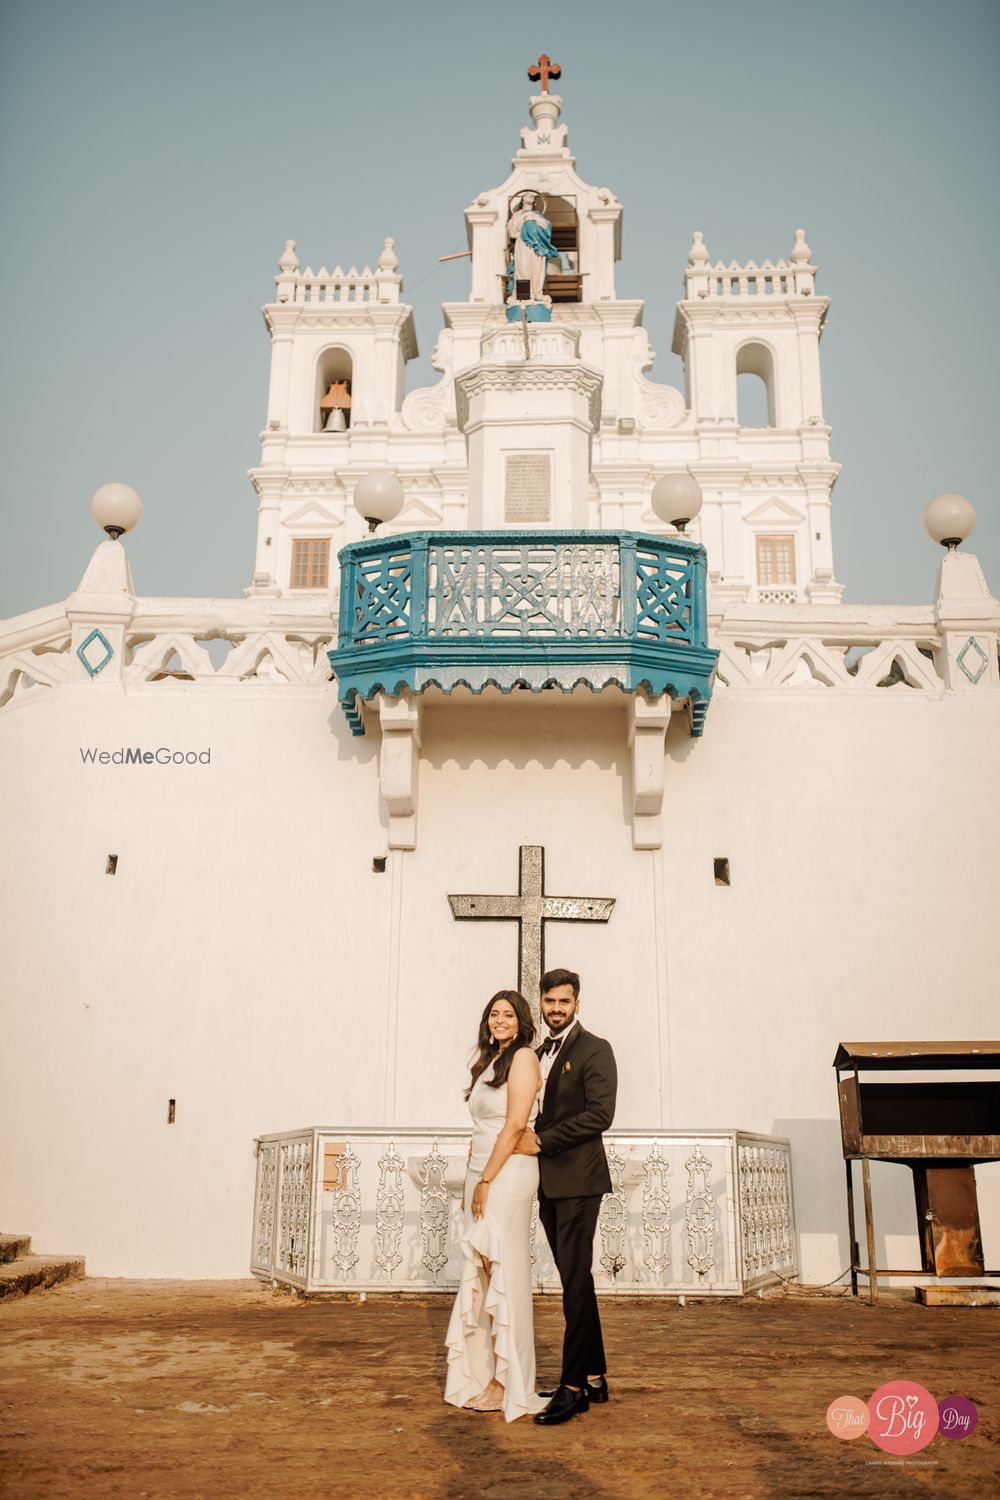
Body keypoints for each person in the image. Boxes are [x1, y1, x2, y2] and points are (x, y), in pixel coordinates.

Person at [515, 967, 618, 1426]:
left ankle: (572, 1387)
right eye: (550, 1001)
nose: (557, 1009)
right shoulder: (537, 1053)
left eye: (565, 1001)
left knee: (574, 1282)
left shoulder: (596, 1049)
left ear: (578, 1003)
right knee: (576, 1280)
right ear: (541, 1002)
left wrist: (542, 1141)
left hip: (579, 1182)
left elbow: (601, 1114)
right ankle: (595, 1376)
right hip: (548, 1183)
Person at [444, 990, 547, 1421]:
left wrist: (486, 1178)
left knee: (505, 1271)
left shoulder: (524, 1057)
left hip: (506, 1174)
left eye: (507, 1014)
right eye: (493, 1014)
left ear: (521, 1021)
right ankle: (489, 1374)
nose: (499, 1020)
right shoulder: (490, 1061)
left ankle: (513, 1385)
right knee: (485, 1271)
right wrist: (476, 1171)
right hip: (482, 1171)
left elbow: (516, 1124)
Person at [506, 190, 560, 302]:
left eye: (532, 196)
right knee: (523, 267)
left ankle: (537, 293)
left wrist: (534, 218)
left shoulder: (539, 216)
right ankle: (525, 294)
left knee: (537, 269)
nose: (530, 196)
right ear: (522, 200)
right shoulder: (517, 215)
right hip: (523, 244)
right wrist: (524, 217)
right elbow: (512, 232)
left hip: (538, 246)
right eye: (527, 195)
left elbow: (546, 227)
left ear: (534, 202)